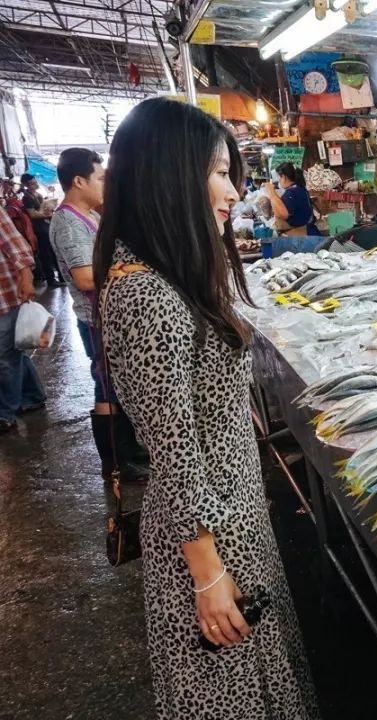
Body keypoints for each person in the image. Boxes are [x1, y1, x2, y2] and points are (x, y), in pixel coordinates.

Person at [92, 97, 318, 718]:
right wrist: (210, 575)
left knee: (262, 679)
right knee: (231, 694)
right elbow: (175, 451)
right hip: (210, 532)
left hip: (234, 513)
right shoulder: (142, 292)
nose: (233, 191)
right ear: (169, 175)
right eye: (219, 172)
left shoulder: (177, 272)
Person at [50, 147, 145, 481]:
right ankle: (115, 464)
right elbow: (85, 277)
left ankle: (129, 451)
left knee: (119, 385)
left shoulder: (89, 214)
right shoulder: (66, 221)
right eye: (100, 178)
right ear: (78, 180)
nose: (106, 184)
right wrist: (123, 269)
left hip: (111, 316)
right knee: (106, 388)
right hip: (95, 320)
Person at [0, 208, 46, 433]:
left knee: (4, 358)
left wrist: (27, 279)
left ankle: (5, 413)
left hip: (5, 294)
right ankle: (33, 395)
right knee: (12, 351)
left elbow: (16, 246)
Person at [20, 173, 63, 286]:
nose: (35, 184)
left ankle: (62, 277)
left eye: (35, 182)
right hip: (39, 229)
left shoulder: (37, 194)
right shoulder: (27, 198)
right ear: (27, 185)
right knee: (45, 254)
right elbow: (33, 215)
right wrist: (47, 215)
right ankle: (51, 280)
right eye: (32, 183)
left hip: (46, 226)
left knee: (54, 252)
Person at [263, 162, 319, 236]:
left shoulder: (292, 192)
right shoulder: (299, 188)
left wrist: (271, 191)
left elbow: (283, 214)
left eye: (279, 177)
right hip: (306, 234)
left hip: (303, 236)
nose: (278, 181)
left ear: (284, 177)